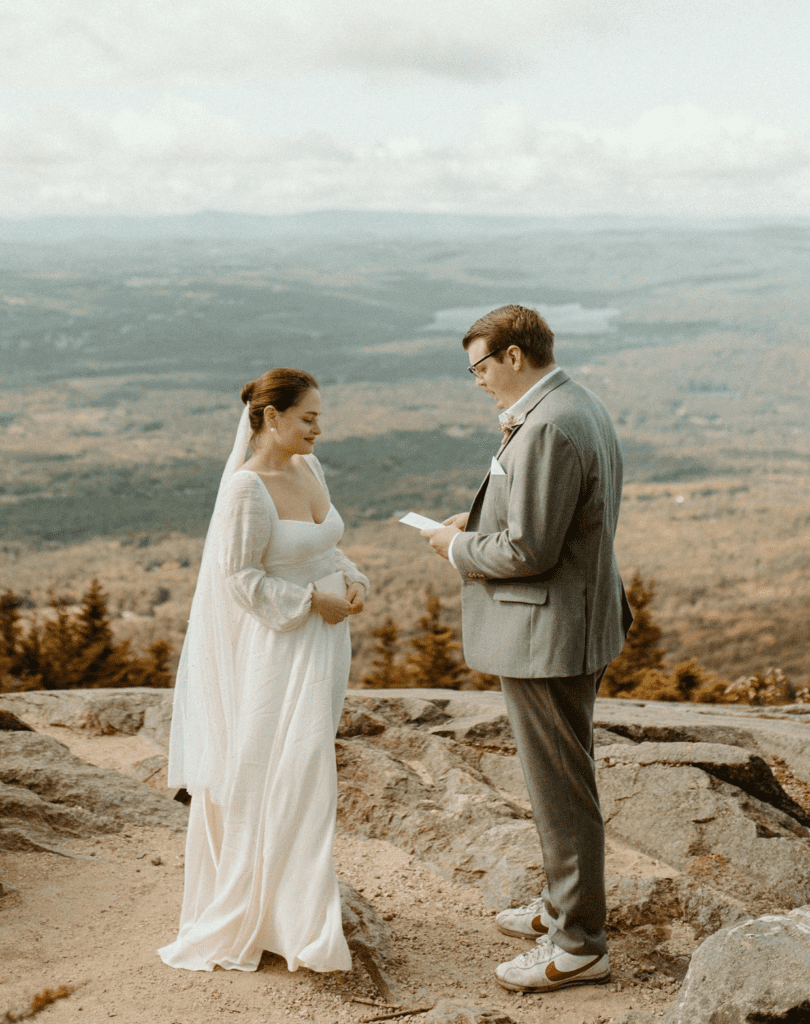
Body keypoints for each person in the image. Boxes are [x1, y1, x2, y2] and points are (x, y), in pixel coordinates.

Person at [420, 305, 632, 994]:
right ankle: (560, 909)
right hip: (577, 617)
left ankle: (578, 947)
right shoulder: (577, 402)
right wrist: (477, 518)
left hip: (548, 632)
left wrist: (456, 547)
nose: (477, 381)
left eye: (480, 367)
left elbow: (530, 550)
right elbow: (550, 519)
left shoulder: (546, 425)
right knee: (564, 778)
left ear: (515, 357)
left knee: (560, 789)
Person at [158, 368, 368, 974]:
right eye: (308, 418)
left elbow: (323, 545)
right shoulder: (246, 490)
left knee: (308, 769)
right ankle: (287, 922)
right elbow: (240, 579)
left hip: (326, 644)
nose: (319, 429)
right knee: (286, 773)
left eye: (319, 417)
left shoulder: (310, 469)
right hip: (278, 652)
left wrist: (350, 578)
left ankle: (292, 910)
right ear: (272, 417)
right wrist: (307, 604)